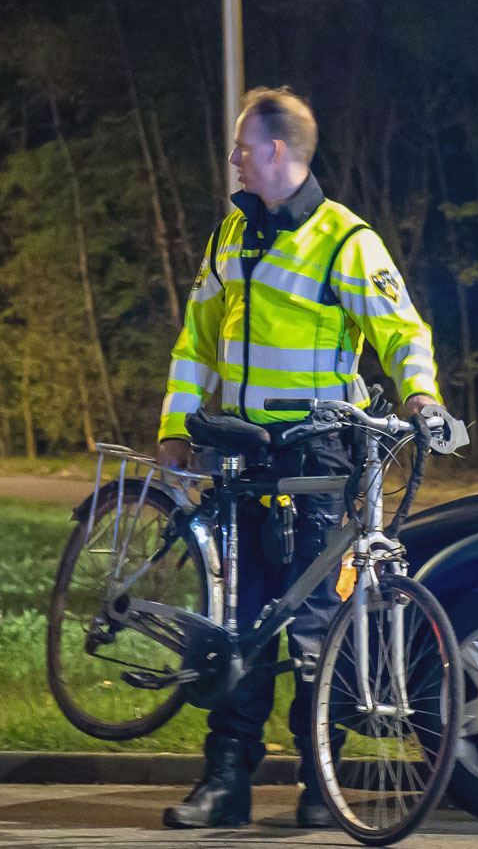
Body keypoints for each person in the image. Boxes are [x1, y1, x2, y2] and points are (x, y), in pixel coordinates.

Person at [155, 86, 442, 829]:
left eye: (243, 147)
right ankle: (226, 779)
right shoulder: (232, 235)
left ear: (277, 151)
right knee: (239, 621)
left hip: (319, 457)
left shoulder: (347, 241)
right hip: (240, 454)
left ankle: (322, 780)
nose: (234, 159)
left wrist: (421, 401)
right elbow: (196, 341)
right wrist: (174, 428)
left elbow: (401, 331)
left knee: (320, 619)